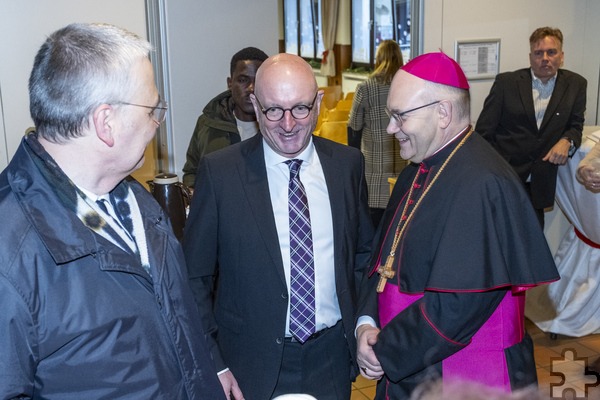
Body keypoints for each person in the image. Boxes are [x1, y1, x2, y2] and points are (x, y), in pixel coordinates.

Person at [0, 23, 224, 399]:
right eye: (153, 109)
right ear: (106, 123)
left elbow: (177, 323)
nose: (157, 122)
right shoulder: (10, 249)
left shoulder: (136, 199)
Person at [355, 52, 560, 399]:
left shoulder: (483, 183)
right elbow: (382, 261)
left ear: (443, 112)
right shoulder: (414, 172)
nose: (390, 129)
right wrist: (366, 323)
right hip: (409, 358)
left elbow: (456, 307)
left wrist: (384, 350)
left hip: (456, 373)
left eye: (399, 116)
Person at [183, 53, 373, 400]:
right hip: (248, 364)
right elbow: (195, 278)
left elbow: (363, 257)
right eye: (273, 110)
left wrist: (364, 321)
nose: (288, 124)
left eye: (300, 108)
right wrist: (214, 362)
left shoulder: (347, 166)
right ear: (254, 105)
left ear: (318, 103)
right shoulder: (221, 173)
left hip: (330, 357)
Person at [475, 27, 587, 227]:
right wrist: (491, 171)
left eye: (551, 52)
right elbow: (484, 132)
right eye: (538, 53)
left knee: (533, 241)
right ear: (530, 57)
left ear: (561, 56)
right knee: (498, 236)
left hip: (540, 180)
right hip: (504, 176)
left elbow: (576, 125)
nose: (545, 58)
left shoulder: (576, 85)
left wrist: (567, 141)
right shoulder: (506, 83)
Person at [182, 46, 269, 188]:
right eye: (243, 80)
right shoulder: (208, 123)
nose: (251, 88)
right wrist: (197, 197)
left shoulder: (279, 125)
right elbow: (192, 172)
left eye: (258, 80)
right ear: (230, 83)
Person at [348, 39, 408, 227]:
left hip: (373, 174)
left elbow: (354, 128)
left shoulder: (366, 87)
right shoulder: (407, 87)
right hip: (402, 173)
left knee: (373, 235)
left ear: (378, 59)